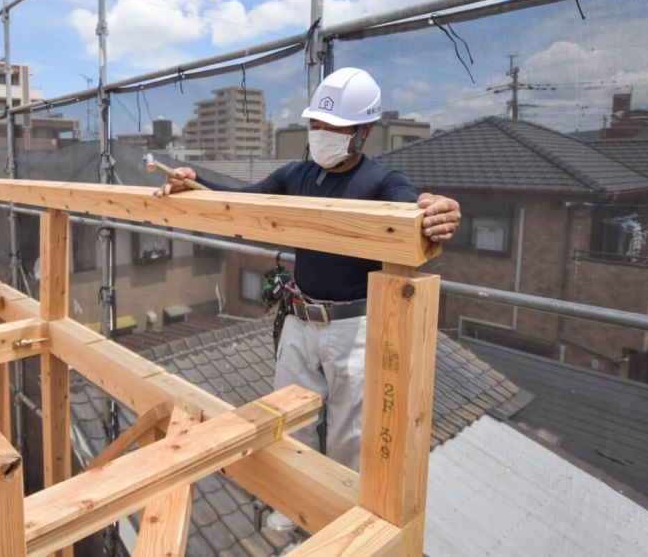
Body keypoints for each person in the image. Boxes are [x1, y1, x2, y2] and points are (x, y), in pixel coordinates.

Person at [158, 67, 461, 470]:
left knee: (350, 438)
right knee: (286, 423)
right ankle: (290, 510)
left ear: (363, 131)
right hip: (300, 320)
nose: (320, 133)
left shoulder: (382, 181)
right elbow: (244, 203)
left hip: (354, 329)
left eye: (333, 127)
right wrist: (195, 184)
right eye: (316, 124)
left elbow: (413, 211)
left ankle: (340, 518)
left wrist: (437, 211)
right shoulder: (296, 175)